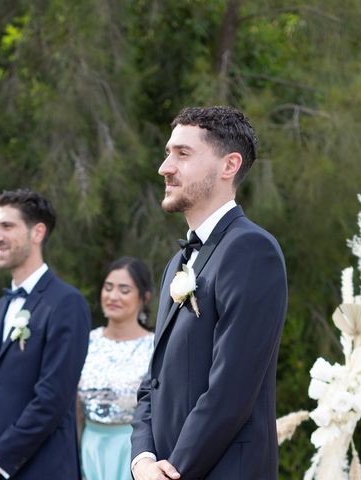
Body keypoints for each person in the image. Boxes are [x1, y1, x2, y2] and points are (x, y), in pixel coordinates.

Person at [130, 106, 288, 480]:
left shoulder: (251, 250)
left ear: (228, 165)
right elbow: (152, 381)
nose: (165, 167)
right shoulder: (177, 263)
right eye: (168, 153)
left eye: (182, 154)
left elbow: (231, 389)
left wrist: (173, 470)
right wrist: (142, 460)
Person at [0, 189, 91, 480]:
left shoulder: (66, 303)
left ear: (37, 233)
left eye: (7, 226)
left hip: (42, 469)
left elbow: (52, 400)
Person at [78, 256, 155, 480]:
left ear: (144, 297)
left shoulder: (154, 346)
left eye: (124, 290)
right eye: (108, 288)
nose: (113, 296)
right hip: (90, 447)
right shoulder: (86, 341)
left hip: (134, 451)